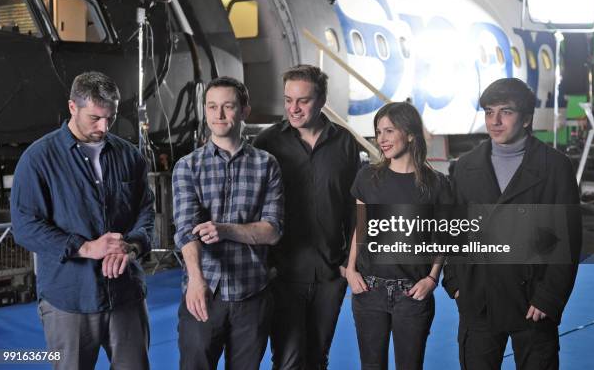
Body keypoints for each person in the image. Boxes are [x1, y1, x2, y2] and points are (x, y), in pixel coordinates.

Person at [11, 71, 154, 370]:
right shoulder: (38, 159)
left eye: (110, 118)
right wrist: (87, 248)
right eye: (95, 118)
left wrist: (132, 247)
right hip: (69, 299)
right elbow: (26, 227)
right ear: (72, 108)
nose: (103, 127)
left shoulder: (130, 156)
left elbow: (146, 212)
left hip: (126, 294)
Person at [443, 78, 582, 370]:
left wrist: (549, 297)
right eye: (489, 111)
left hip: (532, 303)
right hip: (478, 302)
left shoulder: (555, 167)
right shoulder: (465, 167)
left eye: (506, 111)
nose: (494, 121)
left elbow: (567, 239)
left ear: (527, 118)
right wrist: (455, 283)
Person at [173, 76, 284, 370]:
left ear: (244, 110)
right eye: (211, 107)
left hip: (252, 293)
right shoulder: (188, 166)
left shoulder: (266, 165)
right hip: (203, 293)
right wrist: (196, 280)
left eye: (227, 106)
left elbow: (272, 231)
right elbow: (186, 230)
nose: (218, 115)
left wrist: (223, 230)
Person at [253, 64, 360, 369]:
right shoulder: (267, 143)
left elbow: (354, 208)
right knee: (287, 359)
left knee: (318, 356)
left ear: (322, 100)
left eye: (303, 100)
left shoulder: (345, 143)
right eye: (288, 100)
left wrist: (349, 264)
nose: (294, 108)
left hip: (330, 271)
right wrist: (265, 264)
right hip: (283, 272)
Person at [345, 102, 451, 370]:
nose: (381, 139)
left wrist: (432, 278)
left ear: (411, 134)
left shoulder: (437, 184)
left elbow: (443, 237)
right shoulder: (368, 177)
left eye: (389, 131)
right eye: (378, 132)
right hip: (369, 291)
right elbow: (361, 228)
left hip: (412, 295)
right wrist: (350, 270)